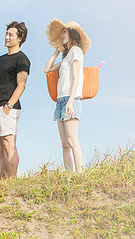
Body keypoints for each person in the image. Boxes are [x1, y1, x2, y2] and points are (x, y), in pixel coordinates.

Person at [44, 19, 91, 173]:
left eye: (64, 32)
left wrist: (70, 101)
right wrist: (57, 50)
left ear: (72, 34)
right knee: (64, 142)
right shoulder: (66, 56)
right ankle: (68, 175)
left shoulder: (76, 52)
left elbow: (76, 78)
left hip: (71, 100)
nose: (62, 34)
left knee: (72, 140)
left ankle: (80, 174)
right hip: (60, 101)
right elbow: (47, 69)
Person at [0, 21, 30, 179]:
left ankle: (12, 181)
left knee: (8, 145)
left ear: (19, 38)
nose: (6, 37)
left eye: (11, 35)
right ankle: (3, 181)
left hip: (8, 107)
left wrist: (9, 105)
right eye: (6, 34)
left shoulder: (22, 59)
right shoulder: (0, 60)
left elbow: (21, 85)